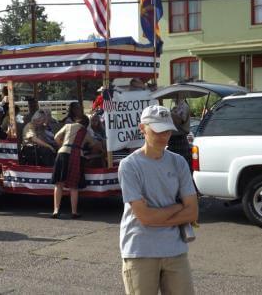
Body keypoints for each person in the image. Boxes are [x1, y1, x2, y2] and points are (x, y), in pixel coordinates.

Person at [118, 105, 198, 295]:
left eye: (168, 131)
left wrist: (156, 215)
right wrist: (178, 207)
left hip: (175, 249)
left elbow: (193, 212)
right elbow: (145, 218)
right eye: (158, 130)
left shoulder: (178, 162)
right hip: (140, 251)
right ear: (142, 128)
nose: (164, 136)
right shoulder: (129, 165)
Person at [52, 115, 100, 219]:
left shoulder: (68, 126)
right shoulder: (86, 132)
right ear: (86, 124)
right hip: (77, 156)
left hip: (63, 153)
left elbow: (56, 137)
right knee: (74, 186)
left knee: (59, 183)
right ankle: (74, 212)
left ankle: (56, 210)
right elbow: (95, 144)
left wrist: (63, 145)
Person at [168, 96, 191, 168]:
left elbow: (180, 121)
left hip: (179, 139)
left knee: (182, 166)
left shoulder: (184, 106)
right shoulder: (176, 107)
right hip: (173, 140)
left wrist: (169, 114)